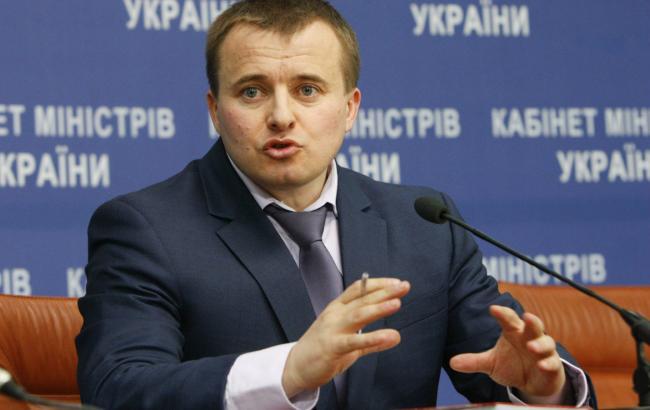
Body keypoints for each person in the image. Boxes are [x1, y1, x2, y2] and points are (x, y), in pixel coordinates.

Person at [76, 0, 593, 409]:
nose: (281, 116)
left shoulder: (425, 225)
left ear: (349, 109)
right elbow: (118, 389)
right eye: (252, 92)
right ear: (215, 109)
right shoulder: (146, 228)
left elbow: (506, 365)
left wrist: (542, 390)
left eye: (307, 89)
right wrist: (287, 372)